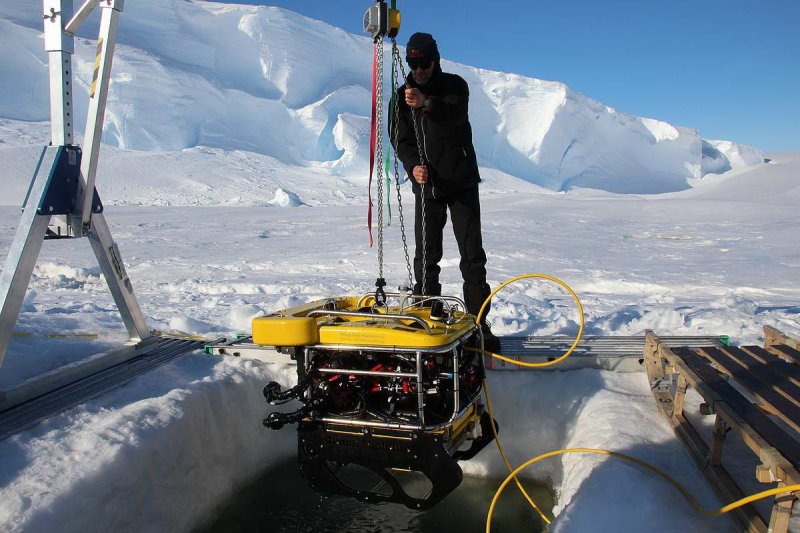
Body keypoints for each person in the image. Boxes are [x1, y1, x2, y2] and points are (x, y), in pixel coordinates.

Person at [390, 32, 500, 352]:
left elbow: (455, 116)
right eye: (414, 63)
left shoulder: (455, 85)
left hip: (461, 182)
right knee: (426, 258)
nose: (419, 69)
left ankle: (479, 324)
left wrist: (426, 103)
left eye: (424, 62)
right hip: (428, 186)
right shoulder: (401, 97)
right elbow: (400, 140)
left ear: (435, 59)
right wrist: (412, 166)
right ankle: (428, 319)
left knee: (472, 258)